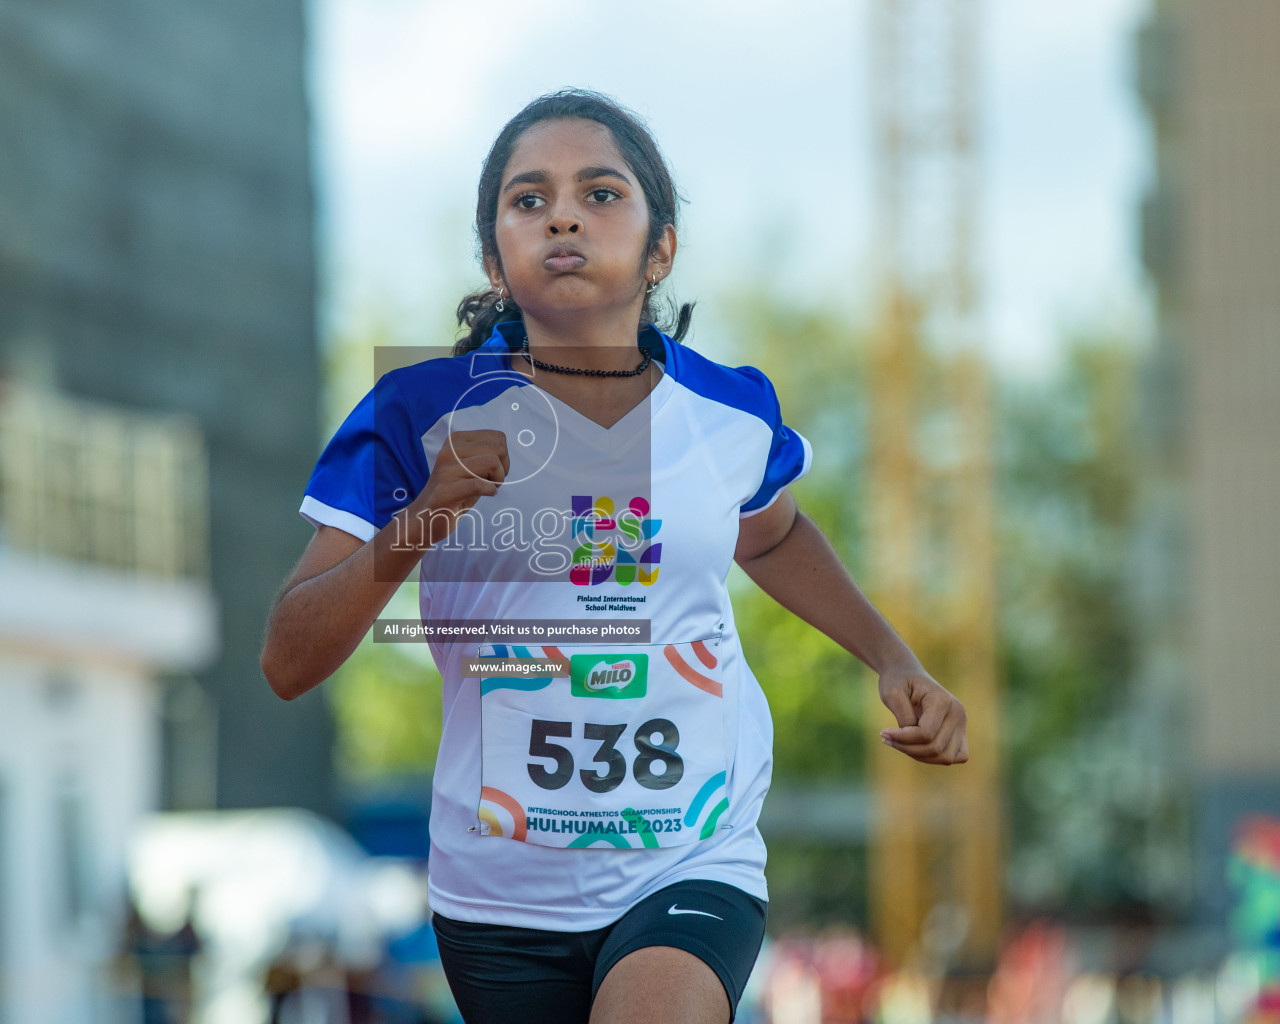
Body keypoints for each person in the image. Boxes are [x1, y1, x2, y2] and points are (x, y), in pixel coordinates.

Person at [260, 88, 970, 1024]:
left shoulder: (728, 412)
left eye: (601, 193)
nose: (562, 213)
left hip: (690, 852)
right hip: (499, 891)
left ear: (660, 246)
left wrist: (894, 659)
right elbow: (287, 660)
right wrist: (425, 516)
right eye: (528, 199)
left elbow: (779, 533)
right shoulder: (414, 413)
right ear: (494, 258)